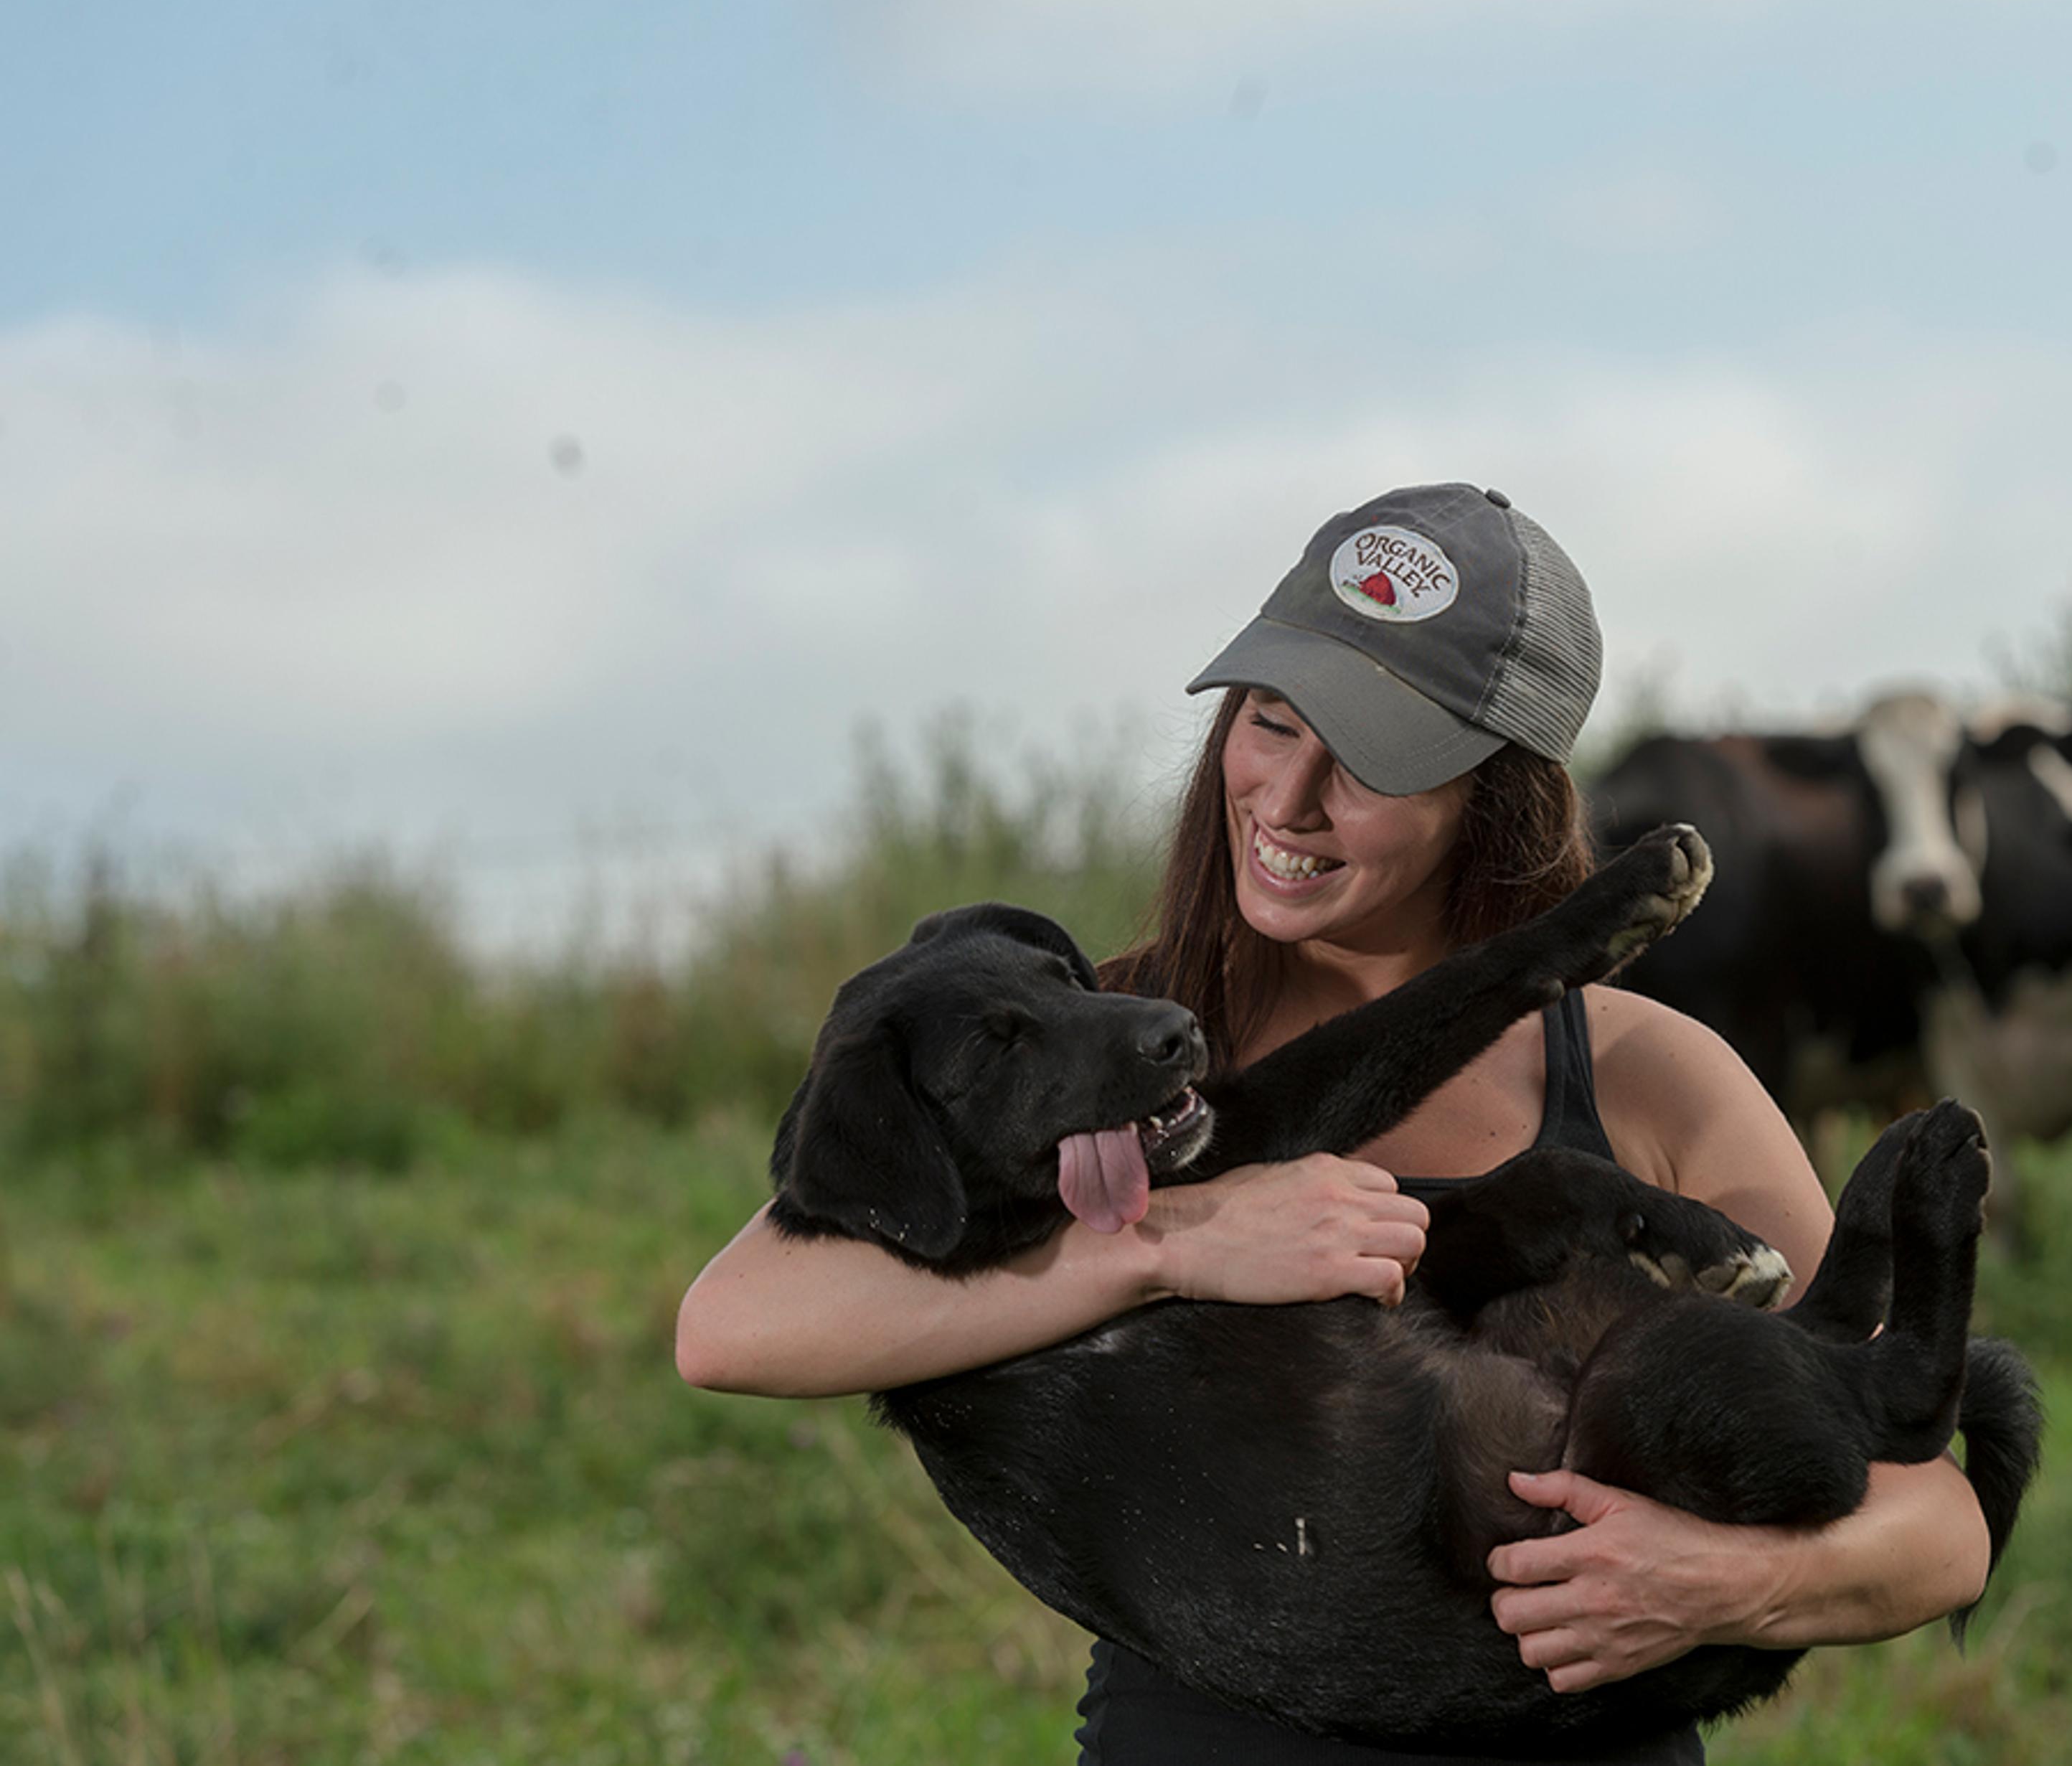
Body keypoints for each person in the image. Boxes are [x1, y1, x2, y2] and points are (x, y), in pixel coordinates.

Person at [675, 484, 1993, 1764]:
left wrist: (1724, 1586)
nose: (1288, 798)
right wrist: (1171, 1245)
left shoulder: (1650, 1071)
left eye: (1367, 757)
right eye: (1267, 721)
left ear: (1496, 790)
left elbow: (1938, 1526)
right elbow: (736, 1325)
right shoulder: (1101, 1034)